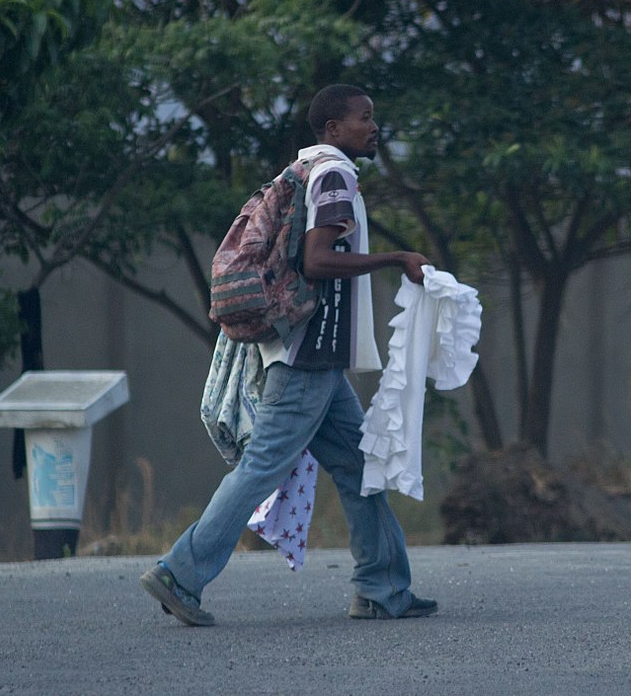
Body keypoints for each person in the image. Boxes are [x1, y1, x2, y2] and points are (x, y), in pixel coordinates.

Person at [141, 84, 438, 626]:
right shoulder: (334, 174)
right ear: (332, 130)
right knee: (261, 468)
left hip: (313, 354)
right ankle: (179, 573)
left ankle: (383, 588)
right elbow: (318, 260)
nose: (374, 127)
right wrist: (396, 257)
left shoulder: (303, 170)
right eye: (363, 118)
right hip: (308, 355)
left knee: (359, 465)